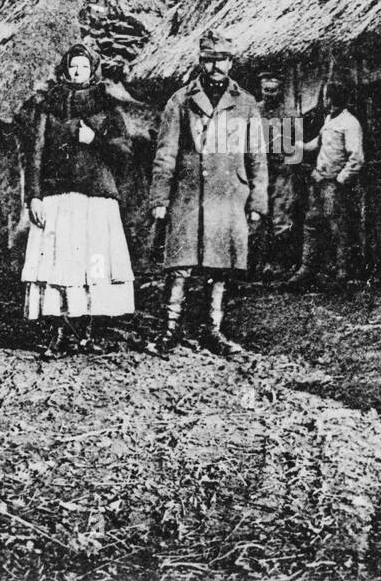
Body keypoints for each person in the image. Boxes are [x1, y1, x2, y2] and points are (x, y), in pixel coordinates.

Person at [149, 32, 267, 356]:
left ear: (231, 62)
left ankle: (213, 329)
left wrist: (257, 200)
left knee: (221, 265)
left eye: (223, 60)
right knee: (181, 264)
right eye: (211, 59)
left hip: (228, 194)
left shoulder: (246, 103)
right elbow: (165, 153)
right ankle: (170, 329)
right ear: (201, 61)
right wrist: (160, 198)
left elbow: (257, 155)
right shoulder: (181, 100)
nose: (217, 66)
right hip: (188, 192)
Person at [19, 43, 135, 354]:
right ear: (65, 69)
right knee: (59, 263)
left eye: (83, 67)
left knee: (92, 264)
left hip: (95, 197)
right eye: (73, 66)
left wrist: (95, 140)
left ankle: (88, 333)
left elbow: (125, 154)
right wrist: (34, 196)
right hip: (58, 197)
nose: (77, 72)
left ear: (92, 71)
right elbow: (36, 155)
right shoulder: (49, 106)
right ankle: (59, 332)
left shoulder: (108, 106)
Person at [287, 83, 364, 287]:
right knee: (311, 224)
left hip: (333, 186)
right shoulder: (329, 119)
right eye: (325, 97)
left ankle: (342, 273)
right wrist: (298, 146)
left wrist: (341, 180)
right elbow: (318, 143)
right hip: (318, 182)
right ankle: (307, 269)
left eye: (328, 98)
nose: (326, 102)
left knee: (338, 228)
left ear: (336, 99)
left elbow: (356, 158)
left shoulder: (350, 123)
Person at [252, 70, 303, 278]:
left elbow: (296, 150)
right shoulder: (254, 111)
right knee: (258, 216)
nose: (269, 94)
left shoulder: (290, 113)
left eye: (273, 90)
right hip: (259, 171)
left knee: (281, 217)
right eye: (265, 90)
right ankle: (257, 264)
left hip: (282, 171)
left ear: (280, 90)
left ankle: (280, 265)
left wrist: (288, 172)